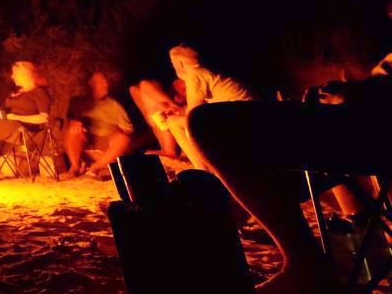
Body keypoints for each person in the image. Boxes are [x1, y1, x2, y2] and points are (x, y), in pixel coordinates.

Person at [190, 70, 391, 294]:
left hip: (376, 126)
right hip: (369, 119)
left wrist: (358, 93)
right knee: (252, 161)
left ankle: (304, 263)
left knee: (209, 124)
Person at [158, 45, 255, 169]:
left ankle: (202, 169)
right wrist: (179, 111)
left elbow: (193, 113)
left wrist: (175, 116)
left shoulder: (195, 74)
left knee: (173, 123)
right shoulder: (204, 71)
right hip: (244, 115)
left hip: (238, 120)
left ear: (180, 64)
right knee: (182, 121)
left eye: (173, 64)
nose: (174, 68)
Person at [0, 61, 53, 177]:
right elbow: (0, 113)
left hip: (24, 129)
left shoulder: (39, 92)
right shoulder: (15, 94)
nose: (12, 76)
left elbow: (43, 118)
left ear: (24, 74)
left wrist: (17, 117)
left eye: (14, 74)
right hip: (8, 125)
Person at [61, 71, 134, 179]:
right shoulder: (77, 103)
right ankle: (75, 167)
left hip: (107, 146)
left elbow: (128, 130)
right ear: (90, 85)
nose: (106, 84)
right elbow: (68, 127)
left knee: (123, 138)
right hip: (86, 144)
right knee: (71, 130)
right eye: (101, 82)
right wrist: (76, 125)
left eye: (106, 82)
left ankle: (94, 168)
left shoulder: (114, 105)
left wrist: (118, 132)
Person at [129, 77, 187, 158]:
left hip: (182, 120)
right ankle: (167, 149)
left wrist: (173, 106)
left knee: (158, 105)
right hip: (167, 128)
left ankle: (169, 150)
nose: (180, 84)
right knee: (136, 89)